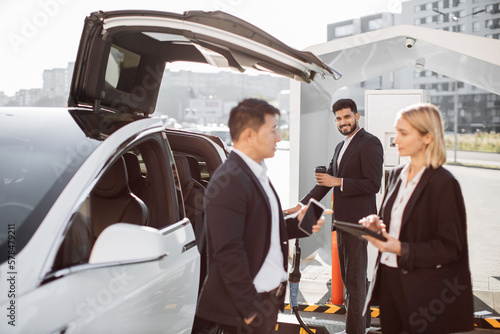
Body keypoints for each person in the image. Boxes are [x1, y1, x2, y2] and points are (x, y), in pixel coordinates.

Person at [194, 98, 328, 334]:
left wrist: (298, 224)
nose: (278, 139)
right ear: (249, 135)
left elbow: (262, 228)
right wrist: (249, 309)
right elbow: (227, 251)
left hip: (266, 301)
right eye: (273, 131)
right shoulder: (230, 181)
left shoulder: (257, 173)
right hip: (247, 309)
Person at [359, 103, 474, 333]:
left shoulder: (444, 183)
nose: (395, 140)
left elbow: (450, 248)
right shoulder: (395, 175)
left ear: (428, 137)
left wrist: (400, 248)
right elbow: (395, 224)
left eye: (403, 133)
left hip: (425, 292)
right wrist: (377, 225)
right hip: (389, 279)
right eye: (396, 132)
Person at [286, 98, 383, 334]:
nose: (343, 122)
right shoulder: (341, 147)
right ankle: (364, 326)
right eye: (338, 118)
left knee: (354, 282)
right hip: (342, 223)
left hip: (358, 224)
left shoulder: (370, 143)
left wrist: (338, 181)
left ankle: (355, 331)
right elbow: (325, 183)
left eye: (347, 117)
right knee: (354, 278)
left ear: (357, 116)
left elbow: (373, 184)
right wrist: (302, 205)